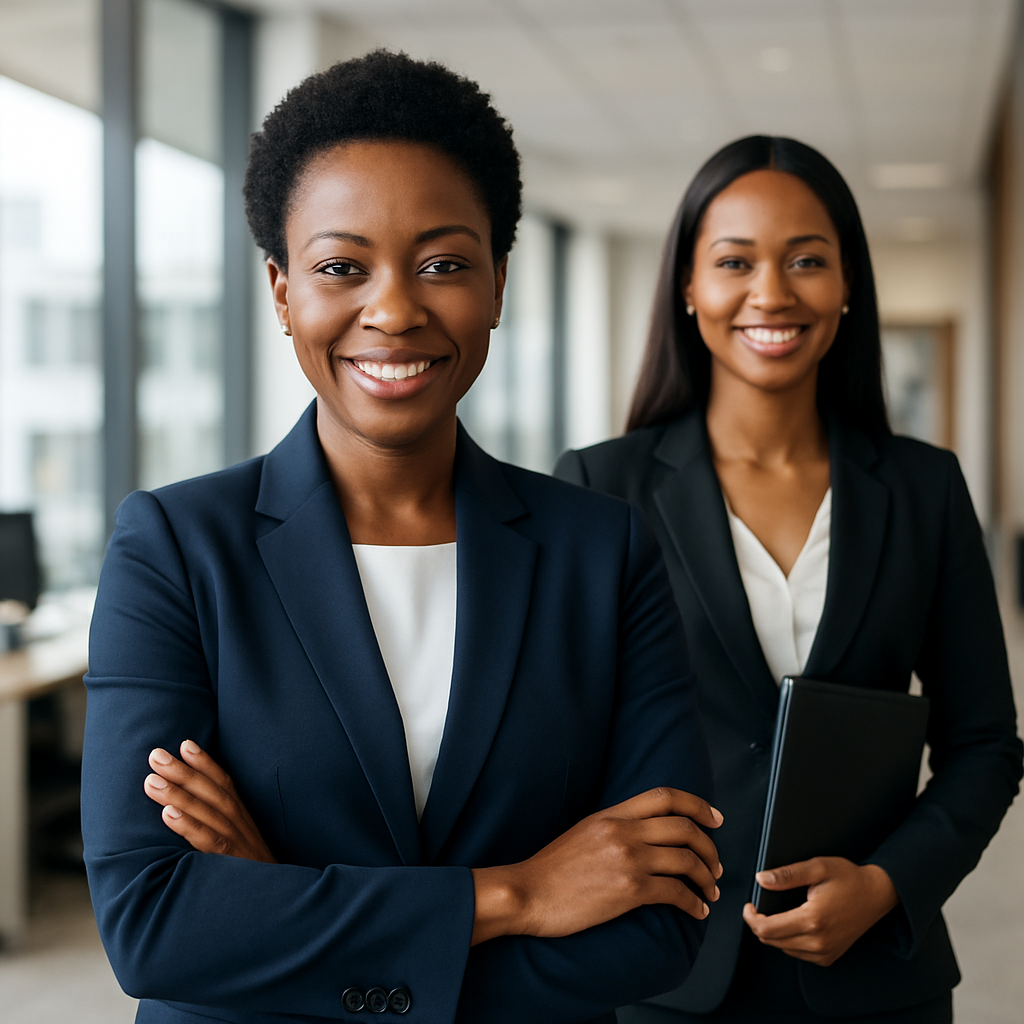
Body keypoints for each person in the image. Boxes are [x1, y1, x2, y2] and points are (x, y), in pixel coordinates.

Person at [81, 52, 723, 1024]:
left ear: (498, 284)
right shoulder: (175, 547)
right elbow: (156, 922)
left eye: (443, 264)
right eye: (342, 267)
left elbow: (661, 922)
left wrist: (286, 902)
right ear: (281, 289)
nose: (393, 309)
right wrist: (523, 895)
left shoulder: (602, 553)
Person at [555, 135, 1023, 1024]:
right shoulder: (600, 487)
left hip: (876, 976)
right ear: (688, 288)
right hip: (662, 974)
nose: (771, 292)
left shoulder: (923, 489)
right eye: (735, 261)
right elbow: (552, 739)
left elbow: (986, 746)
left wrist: (888, 885)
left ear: (848, 286)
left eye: (806, 259)